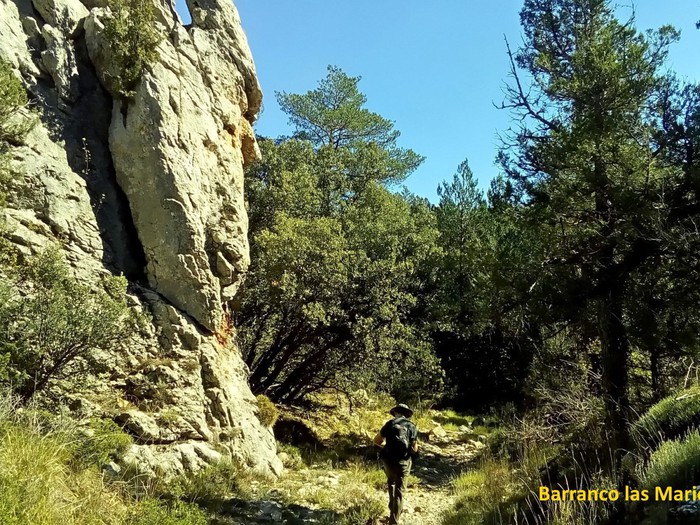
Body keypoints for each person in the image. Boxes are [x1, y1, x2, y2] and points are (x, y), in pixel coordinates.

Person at [373, 403, 418, 525]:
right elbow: (414, 449)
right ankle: (394, 520)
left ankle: (392, 511)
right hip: (403, 462)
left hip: (388, 460)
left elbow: (376, 441)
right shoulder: (412, 426)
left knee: (391, 483)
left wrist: (386, 447)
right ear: (406, 414)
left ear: (395, 412)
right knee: (400, 490)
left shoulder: (390, 424)